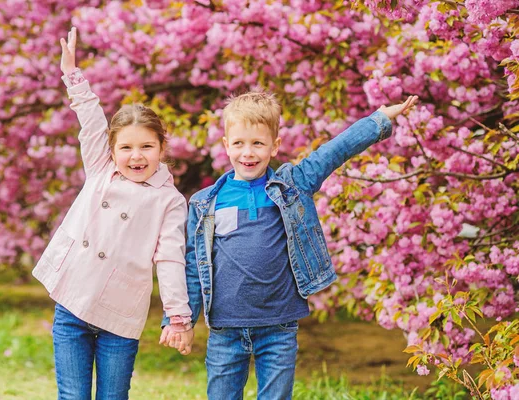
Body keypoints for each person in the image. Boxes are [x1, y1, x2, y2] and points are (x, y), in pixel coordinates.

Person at [170, 89, 418, 399]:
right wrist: (180, 321)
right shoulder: (206, 203)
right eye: (239, 144)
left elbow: (334, 151)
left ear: (274, 146)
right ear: (225, 146)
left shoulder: (292, 185)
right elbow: (194, 267)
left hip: (278, 326)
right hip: (225, 328)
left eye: (258, 143)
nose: (248, 153)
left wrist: (379, 119)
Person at [32, 27, 193, 400]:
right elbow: (90, 119)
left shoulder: (169, 201)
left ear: (161, 147)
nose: (136, 156)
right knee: (72, 396)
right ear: (112, 149)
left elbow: (170, 259)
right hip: (73, 302)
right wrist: (72, 74)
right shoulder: (102, 167)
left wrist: (178, 315)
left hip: (121, 316)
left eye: (146, 147)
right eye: (127, 148)